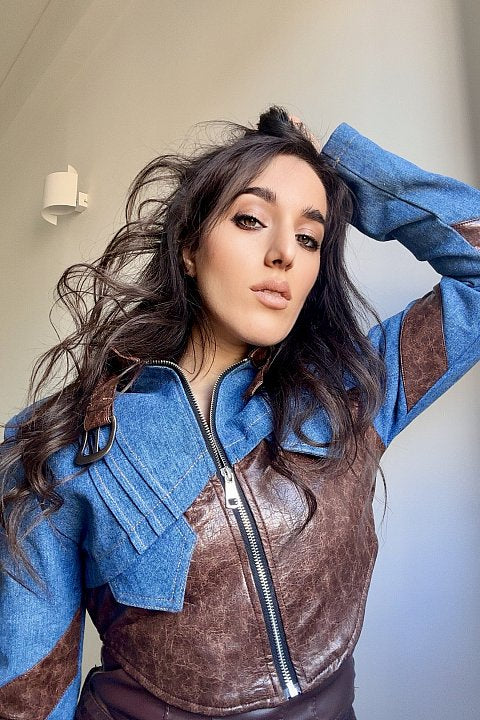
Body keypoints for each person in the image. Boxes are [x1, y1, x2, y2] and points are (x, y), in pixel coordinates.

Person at [0, 105, 479, 720]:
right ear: (189, 248)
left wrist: (339, 166)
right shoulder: (61, 446)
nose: (284, 254)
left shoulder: (353, 392)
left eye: (308, 237)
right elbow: (29, 697)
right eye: (251, 219)